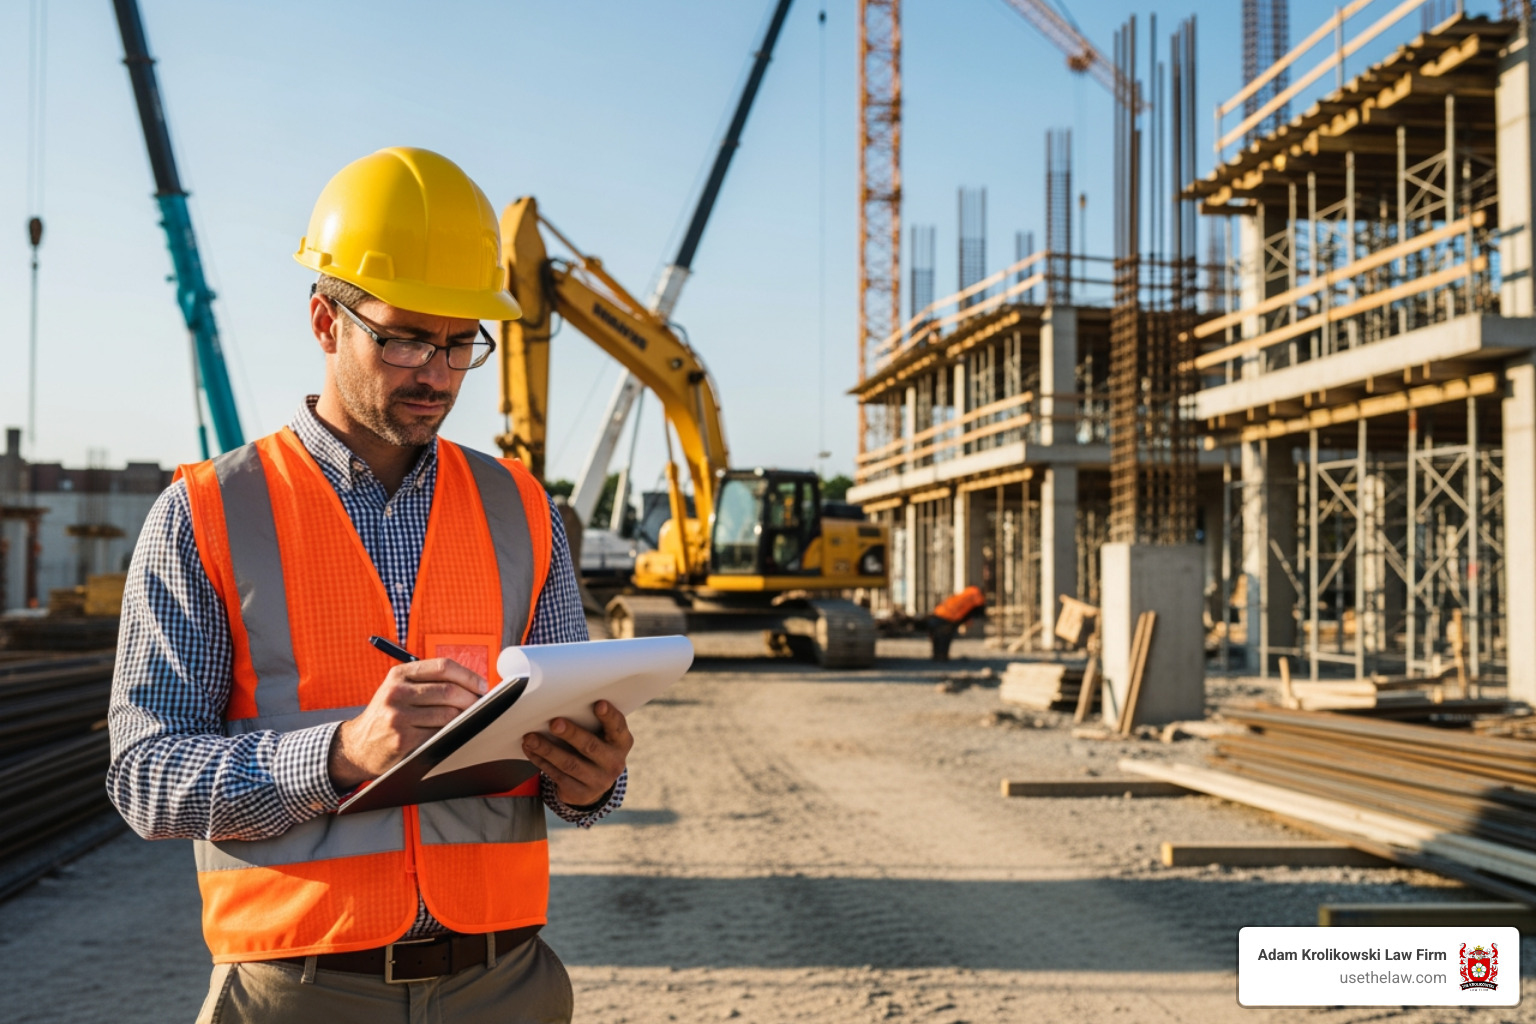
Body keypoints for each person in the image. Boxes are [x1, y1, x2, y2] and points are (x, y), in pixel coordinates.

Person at [108, 147, 629, 1023]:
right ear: (325, 321)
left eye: (462, 343)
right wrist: (340, 753)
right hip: (296, 992)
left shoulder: (523, 509)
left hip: (505, 985)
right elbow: (145, 776)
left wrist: (592, 779)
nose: (436, 373)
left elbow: (560, 743)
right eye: (405, 338)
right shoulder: (205, 512)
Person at [924, 585, 987, 661]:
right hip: (949, 616)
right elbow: (977, 611)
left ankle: (938, 655)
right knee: (944, 636)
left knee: (938, 636)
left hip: (939, 612)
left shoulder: (969, 591)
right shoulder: (977, 596)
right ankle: (941, 656)